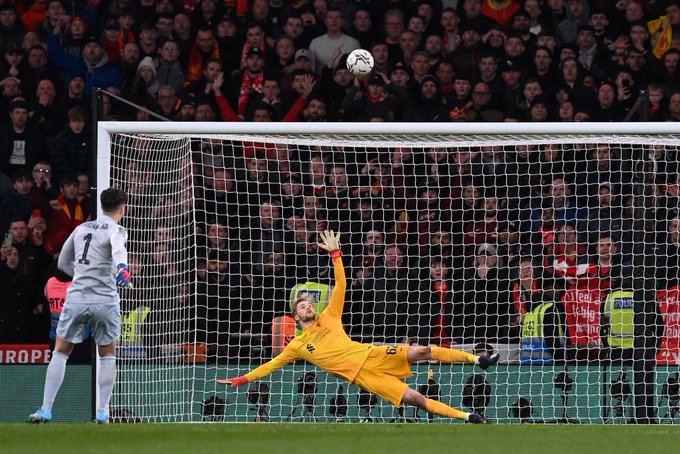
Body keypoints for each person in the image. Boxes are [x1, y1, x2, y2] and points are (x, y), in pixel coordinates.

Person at [218, 230, 499, 423]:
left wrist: (336, 254)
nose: (307, 305)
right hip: (363, 377)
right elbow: (270, 365)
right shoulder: (297, 346)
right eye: (302, 305)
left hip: (372, 353)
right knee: (415, 398)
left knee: (423, 350)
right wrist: (241, 379)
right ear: (295, 314)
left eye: (309, 303)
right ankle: (468, 417)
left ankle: (479, 359)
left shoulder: (329, 316)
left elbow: (340, 284)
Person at [28, 187, 131, 424]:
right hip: (105, 300)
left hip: (77, 298)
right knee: (107, 355)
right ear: (122, 209)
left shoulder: (80, 228)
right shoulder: (117, 229)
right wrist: (122, 268)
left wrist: (83, 274)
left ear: (101, 206)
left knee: (61, 351)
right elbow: (117, 249)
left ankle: (45, 409)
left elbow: (63, 263)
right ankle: (103, 411)